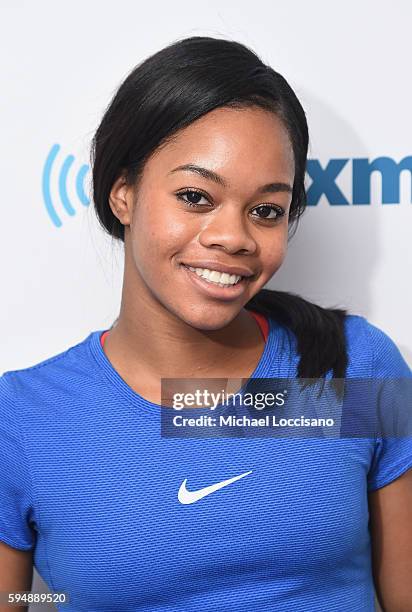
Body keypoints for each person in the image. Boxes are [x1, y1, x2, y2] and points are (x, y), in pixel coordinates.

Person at [0, 36, 411, 612]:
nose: (233, 236)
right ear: (124, 193)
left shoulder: (353, 369)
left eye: (266, 210)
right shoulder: (23, 415)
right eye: (195, 196)